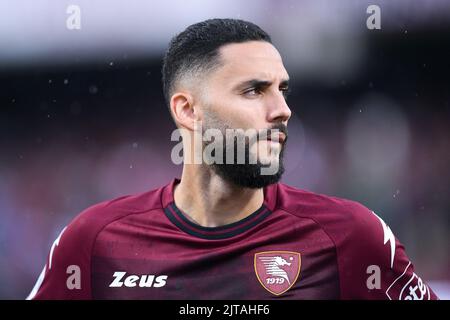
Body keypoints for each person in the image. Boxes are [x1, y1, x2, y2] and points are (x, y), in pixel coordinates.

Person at [28, 18, 438, 300]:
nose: (282, 109)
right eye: (254, 91)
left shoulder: (351, 237)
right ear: (188, 111)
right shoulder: (95, 241)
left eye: (282, 89)